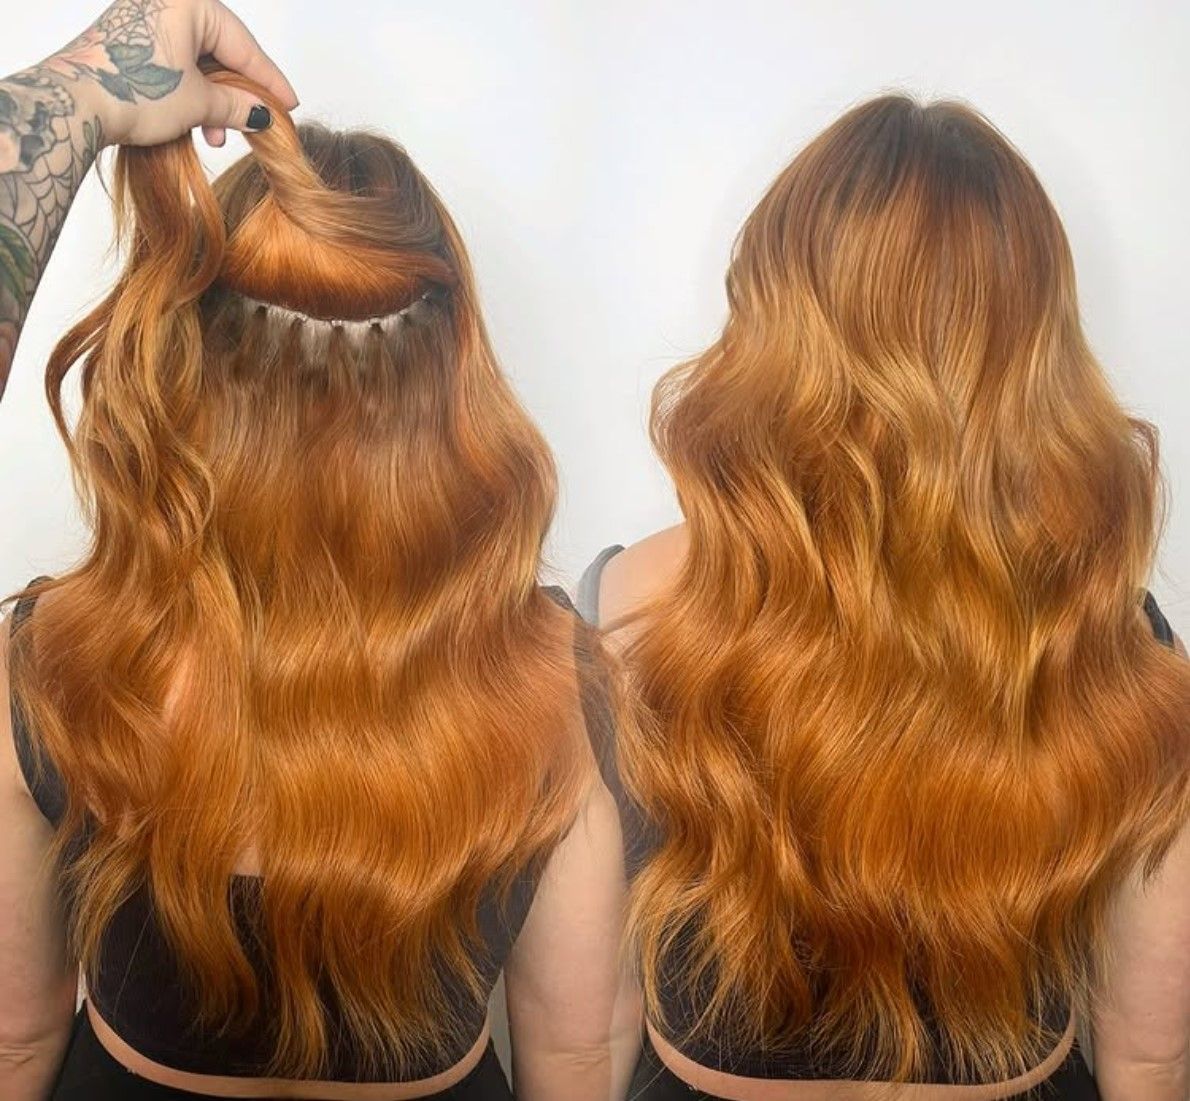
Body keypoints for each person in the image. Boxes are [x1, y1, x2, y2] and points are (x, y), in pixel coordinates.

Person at [0, 3, 629, 1099]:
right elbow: (568, 1050)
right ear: (448, 388)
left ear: (185, 363)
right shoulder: (553, 677)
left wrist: (78, 96)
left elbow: (16, 1036)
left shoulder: (54, 657)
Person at [579, 94, 1190, 1101]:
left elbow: (586, 1029)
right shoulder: (1110, 636)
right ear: (1027, 343)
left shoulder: (616, 613)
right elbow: (1148, 1052)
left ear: (771, 309)